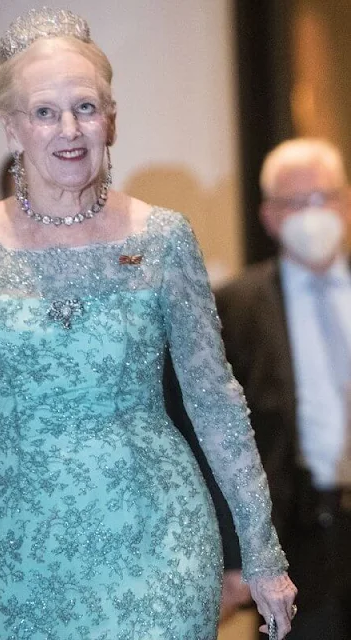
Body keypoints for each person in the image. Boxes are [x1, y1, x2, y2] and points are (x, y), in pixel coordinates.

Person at [0, 8, 296, 639]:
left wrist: (263, 554)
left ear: (112, 120)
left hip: (160, 537)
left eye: (86, 107)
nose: (68, 128)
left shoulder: (163, 238)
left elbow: (216, 400)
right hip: (21, 546)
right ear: (12, 128)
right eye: (45, 112)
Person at [215, 137, 351, 639]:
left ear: (347, 202)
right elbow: (217, 433)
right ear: (269, 217)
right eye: (295, 203)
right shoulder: (235, 307)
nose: (312, 214)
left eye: (323, 197)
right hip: (295, 533)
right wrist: (234, 554)